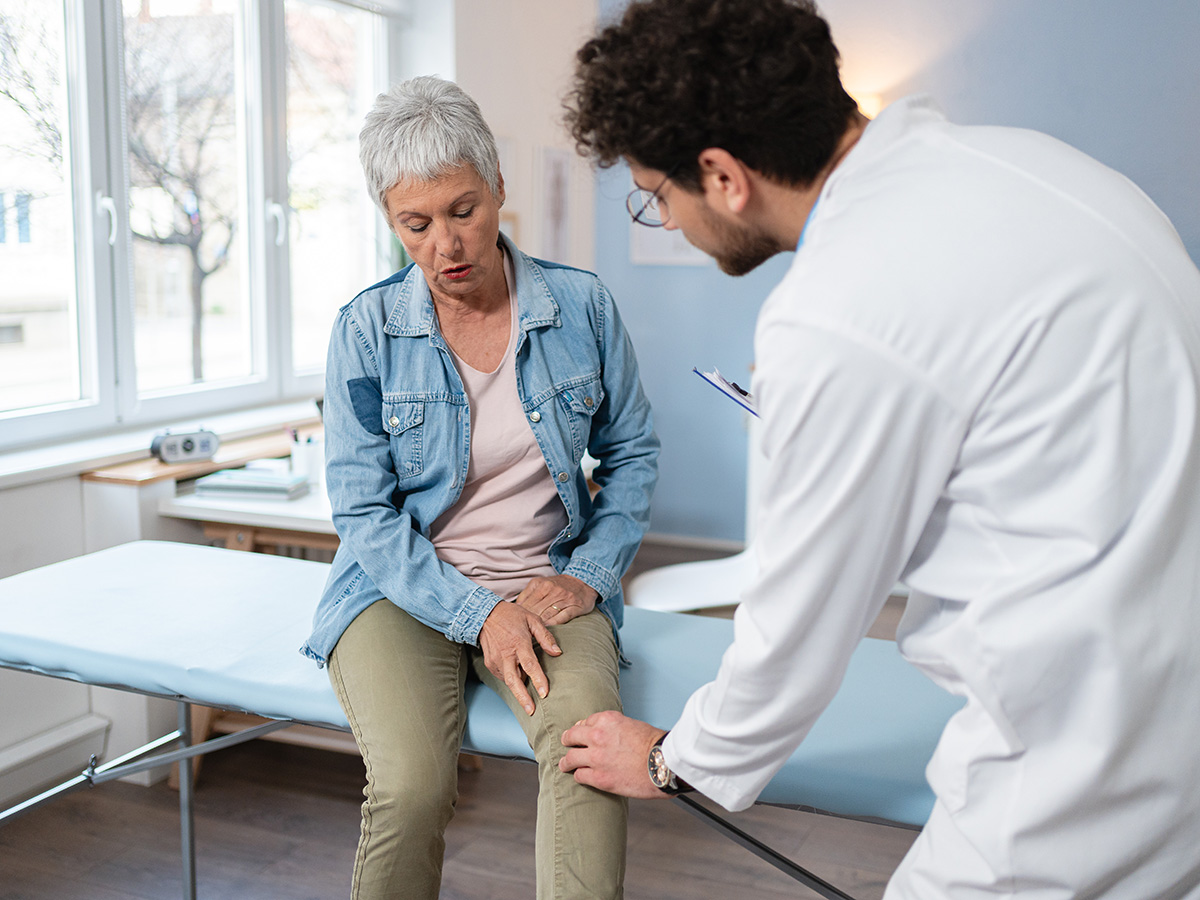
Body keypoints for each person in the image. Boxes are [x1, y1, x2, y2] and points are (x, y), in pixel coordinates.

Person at [557, 1, 1200, 898]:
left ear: (723, 175)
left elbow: (800, 621)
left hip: (1077, 772)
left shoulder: (839, 312)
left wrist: (678, 758)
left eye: (656, 195)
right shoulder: (1044, 169)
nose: (665, 221)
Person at [301, 75, 658, 900]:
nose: (444, 246)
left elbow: (632, 453)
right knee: (413, 786)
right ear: (390, 221)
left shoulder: (582, 307)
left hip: (546, 584)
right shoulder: (366, 329)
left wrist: (588, 575)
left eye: (462, 210)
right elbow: (363, 511)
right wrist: (479, 615)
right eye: (414, 225)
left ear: (498, 185)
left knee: (587, 760)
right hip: (402, 591)